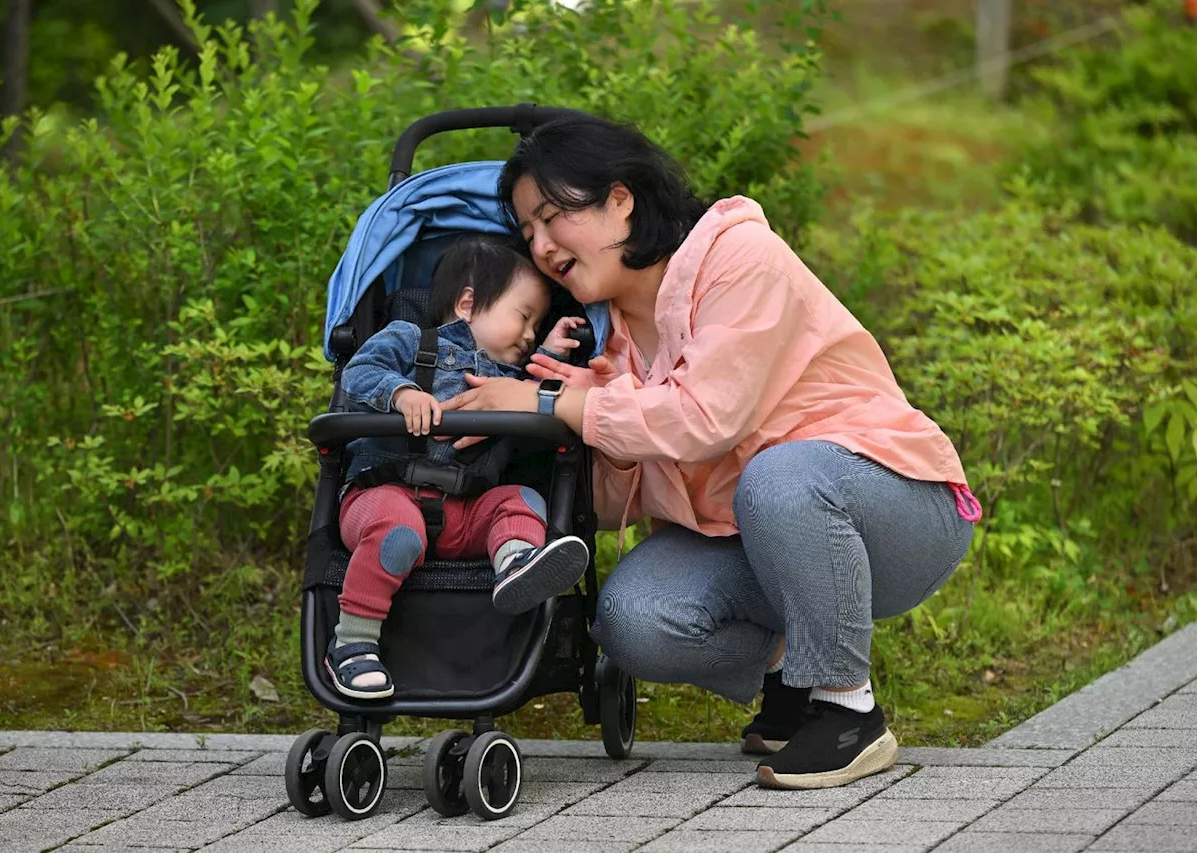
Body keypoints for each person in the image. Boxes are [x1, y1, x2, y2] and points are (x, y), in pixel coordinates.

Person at [440, 115, 981, 789]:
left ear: (620, 199)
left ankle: (848, 711)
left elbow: (706, 417)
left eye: (553, 217)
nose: (544, 246)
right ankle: (791, 677)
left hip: (899, 508)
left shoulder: (737, 257)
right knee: (632, 619)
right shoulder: (608, 346)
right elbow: (608, 510)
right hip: (760, 541)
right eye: (528, 233)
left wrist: (560, 407)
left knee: (777, 474)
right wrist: (592, 420)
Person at [325, 234, 592, 700]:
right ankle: (352, 644)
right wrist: (402, 394)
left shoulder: (506, 377)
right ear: (468, 304)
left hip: (462, 511)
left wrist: (549, 350)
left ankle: (515, 563)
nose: (530, 332)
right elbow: (359, 372)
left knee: (521, 500)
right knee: (397, 530)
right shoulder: (408, 340)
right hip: (383, 495)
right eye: (524, 317)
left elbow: (532, 384)